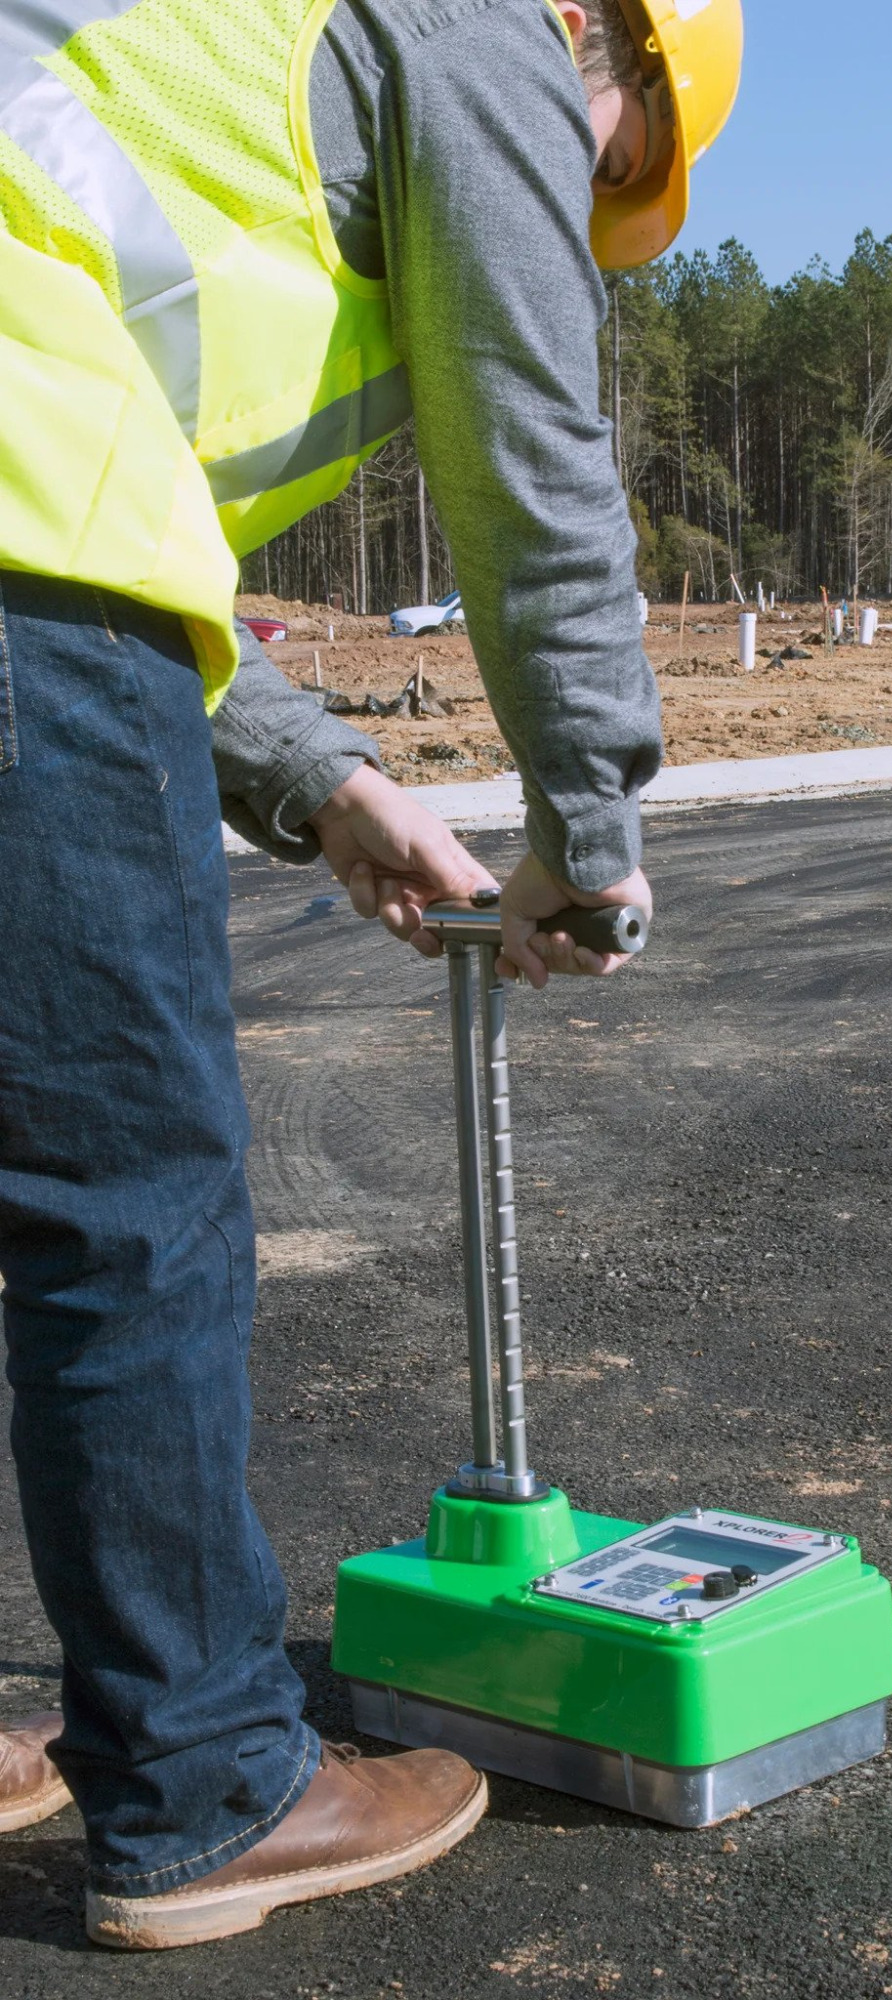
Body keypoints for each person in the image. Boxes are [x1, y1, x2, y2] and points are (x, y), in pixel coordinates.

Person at [0, 0, 743, 1952]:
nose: (578, 193)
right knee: (120, 1194)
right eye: (609, 163)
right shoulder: (489, 27)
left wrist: (325, 782)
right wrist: (590, 824)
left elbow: (100, 487)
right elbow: (529, 446)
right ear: (608, 47)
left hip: (30, 525)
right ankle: (204, 1783)